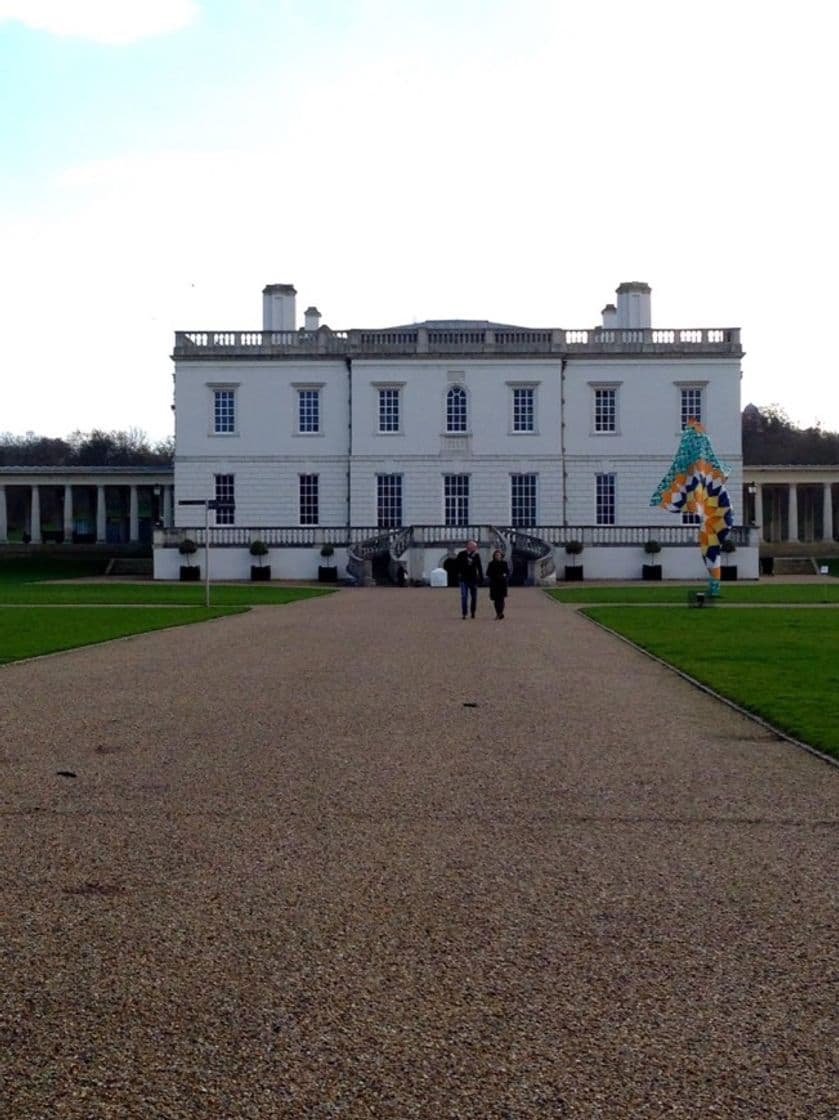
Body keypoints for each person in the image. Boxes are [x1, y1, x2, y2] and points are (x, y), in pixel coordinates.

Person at [455, 539, 484, 619]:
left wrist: (481, 578)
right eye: (473, 546)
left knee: (474, 597)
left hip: (473, 578)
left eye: (475, 546)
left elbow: (479, 567)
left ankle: (473, 612)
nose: (474, 548)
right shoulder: (461, 554)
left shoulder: (476, 555)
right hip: (463, 578)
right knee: (464, 596)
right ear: (468, 546)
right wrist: (458, 574)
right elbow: (457, 565)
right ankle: (464, 613)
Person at [486, 548, 510, 619]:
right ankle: (498, 613)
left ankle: (500, 613)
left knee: (501, 599)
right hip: (494, 583)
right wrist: (495, 576)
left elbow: (507, 572)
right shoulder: (491, 564)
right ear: (494, 556)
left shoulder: (504, 563)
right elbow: (488, 573)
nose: (497, 556)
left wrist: (504, 576)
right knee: (496, 600)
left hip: (502, 583)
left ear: (501, 556)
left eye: (498, 555)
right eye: (496, 555)